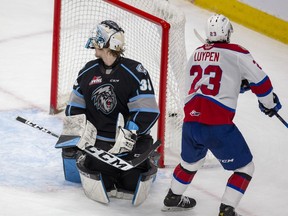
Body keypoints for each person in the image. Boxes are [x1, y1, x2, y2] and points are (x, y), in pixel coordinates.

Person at [162, 14, 282, 215]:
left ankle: (172, 197)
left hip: (191, 124)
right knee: (245, 168)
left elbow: (199, 87)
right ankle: (227, 210)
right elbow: (262, 82)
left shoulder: (196, 53)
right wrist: (268, 104)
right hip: (217, 125)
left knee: (190, 163)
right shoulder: (236, 53)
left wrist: (235, 84)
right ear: (227, 33)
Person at [58, 20, 160, 205]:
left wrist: (129, 134)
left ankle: (145, 161)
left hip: (131, 145)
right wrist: (78, 134)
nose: (94, 42)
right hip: (98, 145)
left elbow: (148, 111)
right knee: (103, 180)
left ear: (109, 43)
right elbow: (74, 110)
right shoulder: (87, 71)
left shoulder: (135, 71)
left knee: (131, 182)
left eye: (98, 39)